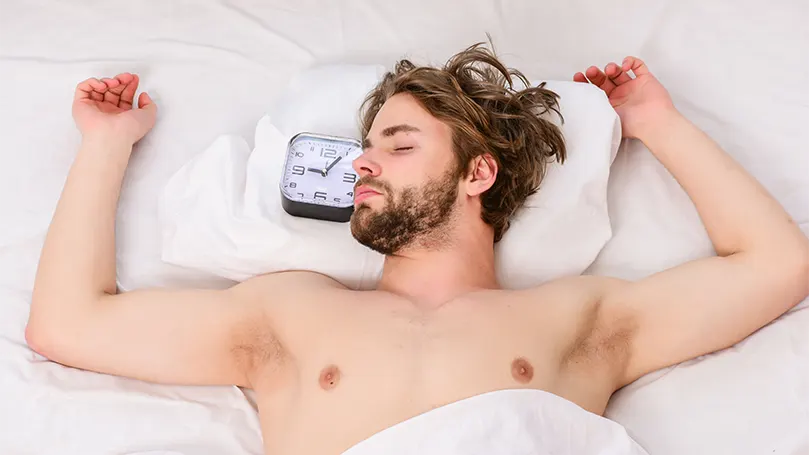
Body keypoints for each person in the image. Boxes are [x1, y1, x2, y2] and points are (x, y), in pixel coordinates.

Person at [25, 43, 809, 454]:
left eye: (396, 145)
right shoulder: (289, 311)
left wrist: (653, 123)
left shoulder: (574, 314)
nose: (361, 162)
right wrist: (106, 144)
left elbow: (776, 265)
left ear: (477, 173)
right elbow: (66, 325)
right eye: (366, 146)